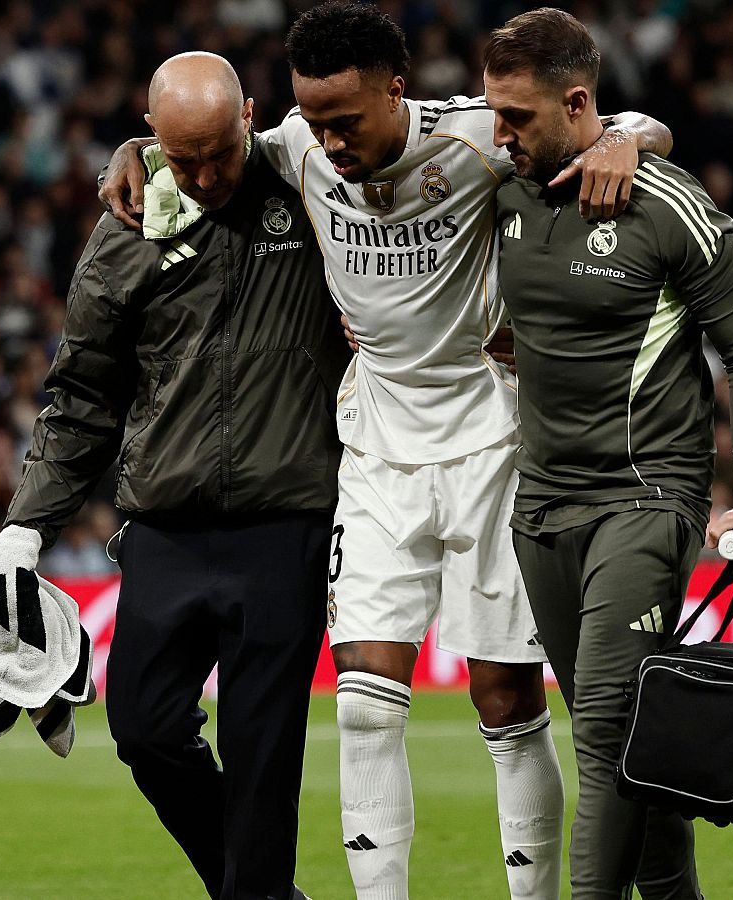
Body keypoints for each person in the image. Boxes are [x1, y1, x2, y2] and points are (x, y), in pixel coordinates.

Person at [101, 5, 673, 897]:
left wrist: (629, 140)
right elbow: (189, 149)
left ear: (396, 93)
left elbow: (612, 121)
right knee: (365, 701)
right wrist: (129, 155)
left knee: (507, 705)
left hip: (491, 437)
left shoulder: (475, 138)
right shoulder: (288, 146)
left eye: (345, 121)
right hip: (371, 443)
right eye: (313, 121)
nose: (327, 142)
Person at [0, 52, 348, 900]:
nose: (209, 175)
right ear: (152, 139)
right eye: (184, 160)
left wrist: (626, 131)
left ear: (252, 115)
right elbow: (81, 395)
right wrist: (25, 525)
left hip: (284, 524)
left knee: (263, 759)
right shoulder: (128, 225)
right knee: (143, 730)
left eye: (221, 151)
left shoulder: (311, 184)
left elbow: (415, 132)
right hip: (164, 528)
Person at [484, 10, 733, 899]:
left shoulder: (669, 205)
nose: (500, 134)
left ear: (578, 103)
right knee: (636, 744)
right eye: (494, 114)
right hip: (540, 509)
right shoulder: (501, 184)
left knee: (608, 730)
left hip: (646, 497)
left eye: (518, 118)